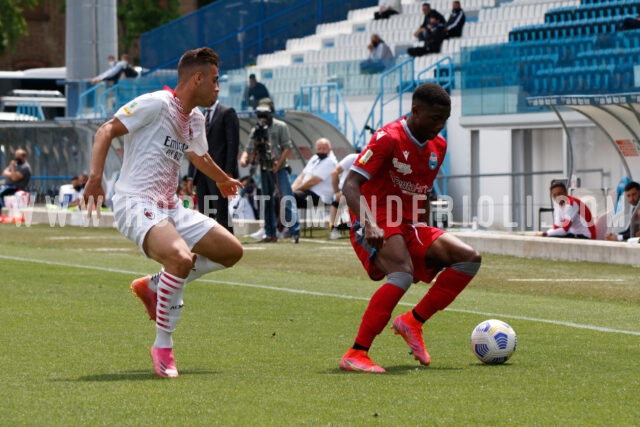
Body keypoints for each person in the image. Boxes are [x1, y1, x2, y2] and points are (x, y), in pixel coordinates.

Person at [82, 47, 244, 378]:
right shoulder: (156, 103)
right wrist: (95, 179)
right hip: (135, 202)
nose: (217, 87)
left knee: (232, 251)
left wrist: (223, 179)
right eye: (214, 80)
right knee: (181, 259)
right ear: (197, 78)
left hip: (169, 206)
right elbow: (106, 130)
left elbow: (199, 157)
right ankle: (163, 346)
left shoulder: (195, 119)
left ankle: (155, 285)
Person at [339, 83, 482, 373]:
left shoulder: (437, 146)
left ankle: (413, 321)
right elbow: (350, 184)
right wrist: (368, 224)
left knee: (468, 258)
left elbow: (424, 193)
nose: (440, 126)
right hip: (375, 220)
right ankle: (356, 353)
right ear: (416, 111)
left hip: (408, 224)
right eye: (434, 119)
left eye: (445, 119)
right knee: (402, 273)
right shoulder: (387, 138)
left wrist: (425, 241)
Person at [239, 101, 300, 243]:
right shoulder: (256, 129)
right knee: (267, 201)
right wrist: (244, 159)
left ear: (271, 112)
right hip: (264, 169)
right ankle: (270, 233)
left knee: (287, 199)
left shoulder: (281, 126)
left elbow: (287, 148)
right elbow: (248, 149)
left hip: (280, 169)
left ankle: (294, 233)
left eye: (264, 114)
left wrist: (277, 165)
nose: (262, 118)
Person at [188, 100, 240, 233]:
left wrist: (228, 172)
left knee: (221, 211)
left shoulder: (227, 112)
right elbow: (193, 146)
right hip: (200, 173)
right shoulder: (199, 115)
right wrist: (190, 175)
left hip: (219, 172)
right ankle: (210, 248)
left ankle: (229, 246)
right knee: (205, 214)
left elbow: (232, 144)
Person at [292, 138, 337, 209]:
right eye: (319, 149)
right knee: (280, 196)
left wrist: (296, 189)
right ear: (316, 149)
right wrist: (292, 188)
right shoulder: (315, 158)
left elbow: (312, 182)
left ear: (329, 149)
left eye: (324, 149)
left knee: (288, 197)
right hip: (307, 192)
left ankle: (287, 219)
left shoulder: (330, 162)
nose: (321, 151)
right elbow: (302, 175)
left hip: (319, 197)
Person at [328, 151, 359, 240]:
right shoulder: (352, 158)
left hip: (361, 191)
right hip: (345, 190)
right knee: (336, 202)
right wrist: (337, 192)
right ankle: (333, 229)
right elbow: (334, 172)